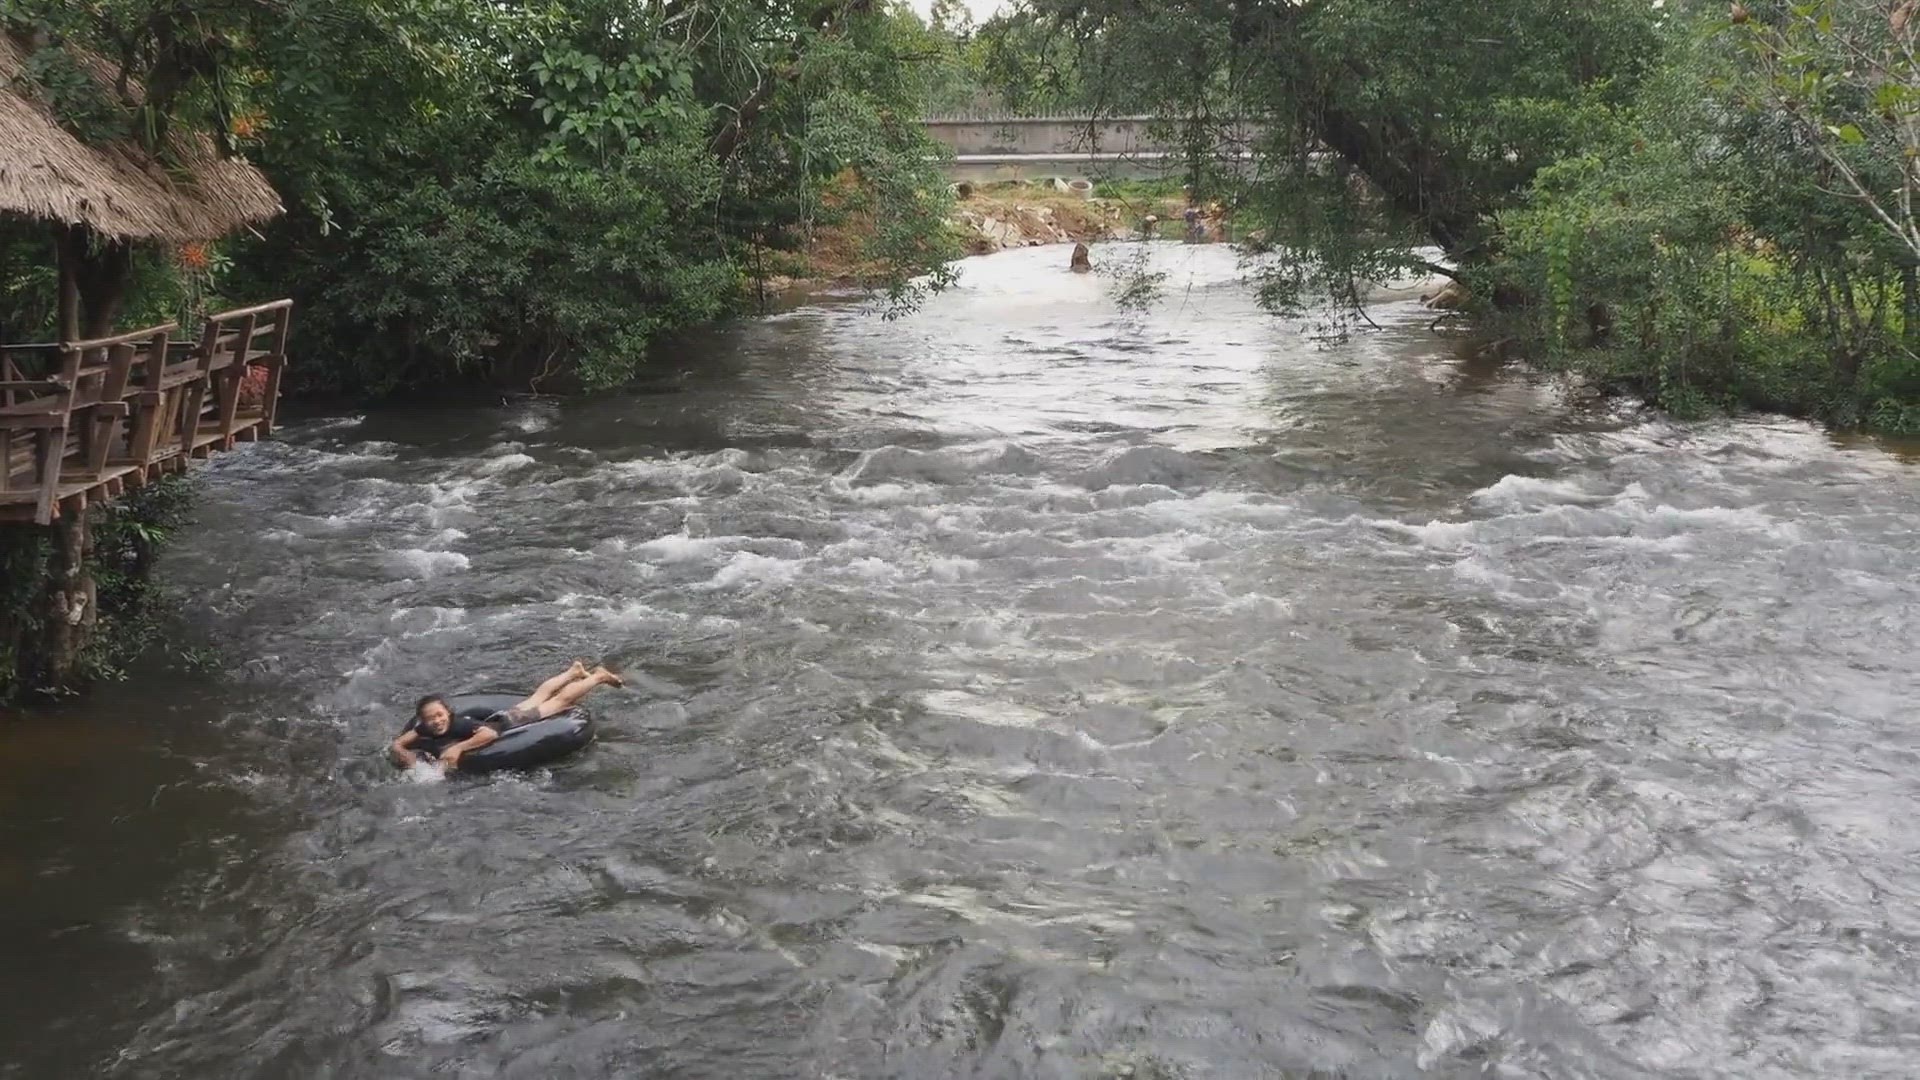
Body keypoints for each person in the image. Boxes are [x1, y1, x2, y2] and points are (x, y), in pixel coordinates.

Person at [390, 660, 624, 772]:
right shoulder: (425, 728)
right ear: (424, 720)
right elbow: (401, 741)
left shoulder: (458, 724)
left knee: (559, 701)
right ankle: (573, 671)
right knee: (540, 693)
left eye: (440, 715)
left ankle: (597, 677)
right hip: (502, 715)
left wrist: (460, 748)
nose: (437, 721)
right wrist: (403, 752)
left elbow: (488, 733)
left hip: (511, 722)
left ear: (448, 713)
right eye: (431, 718)